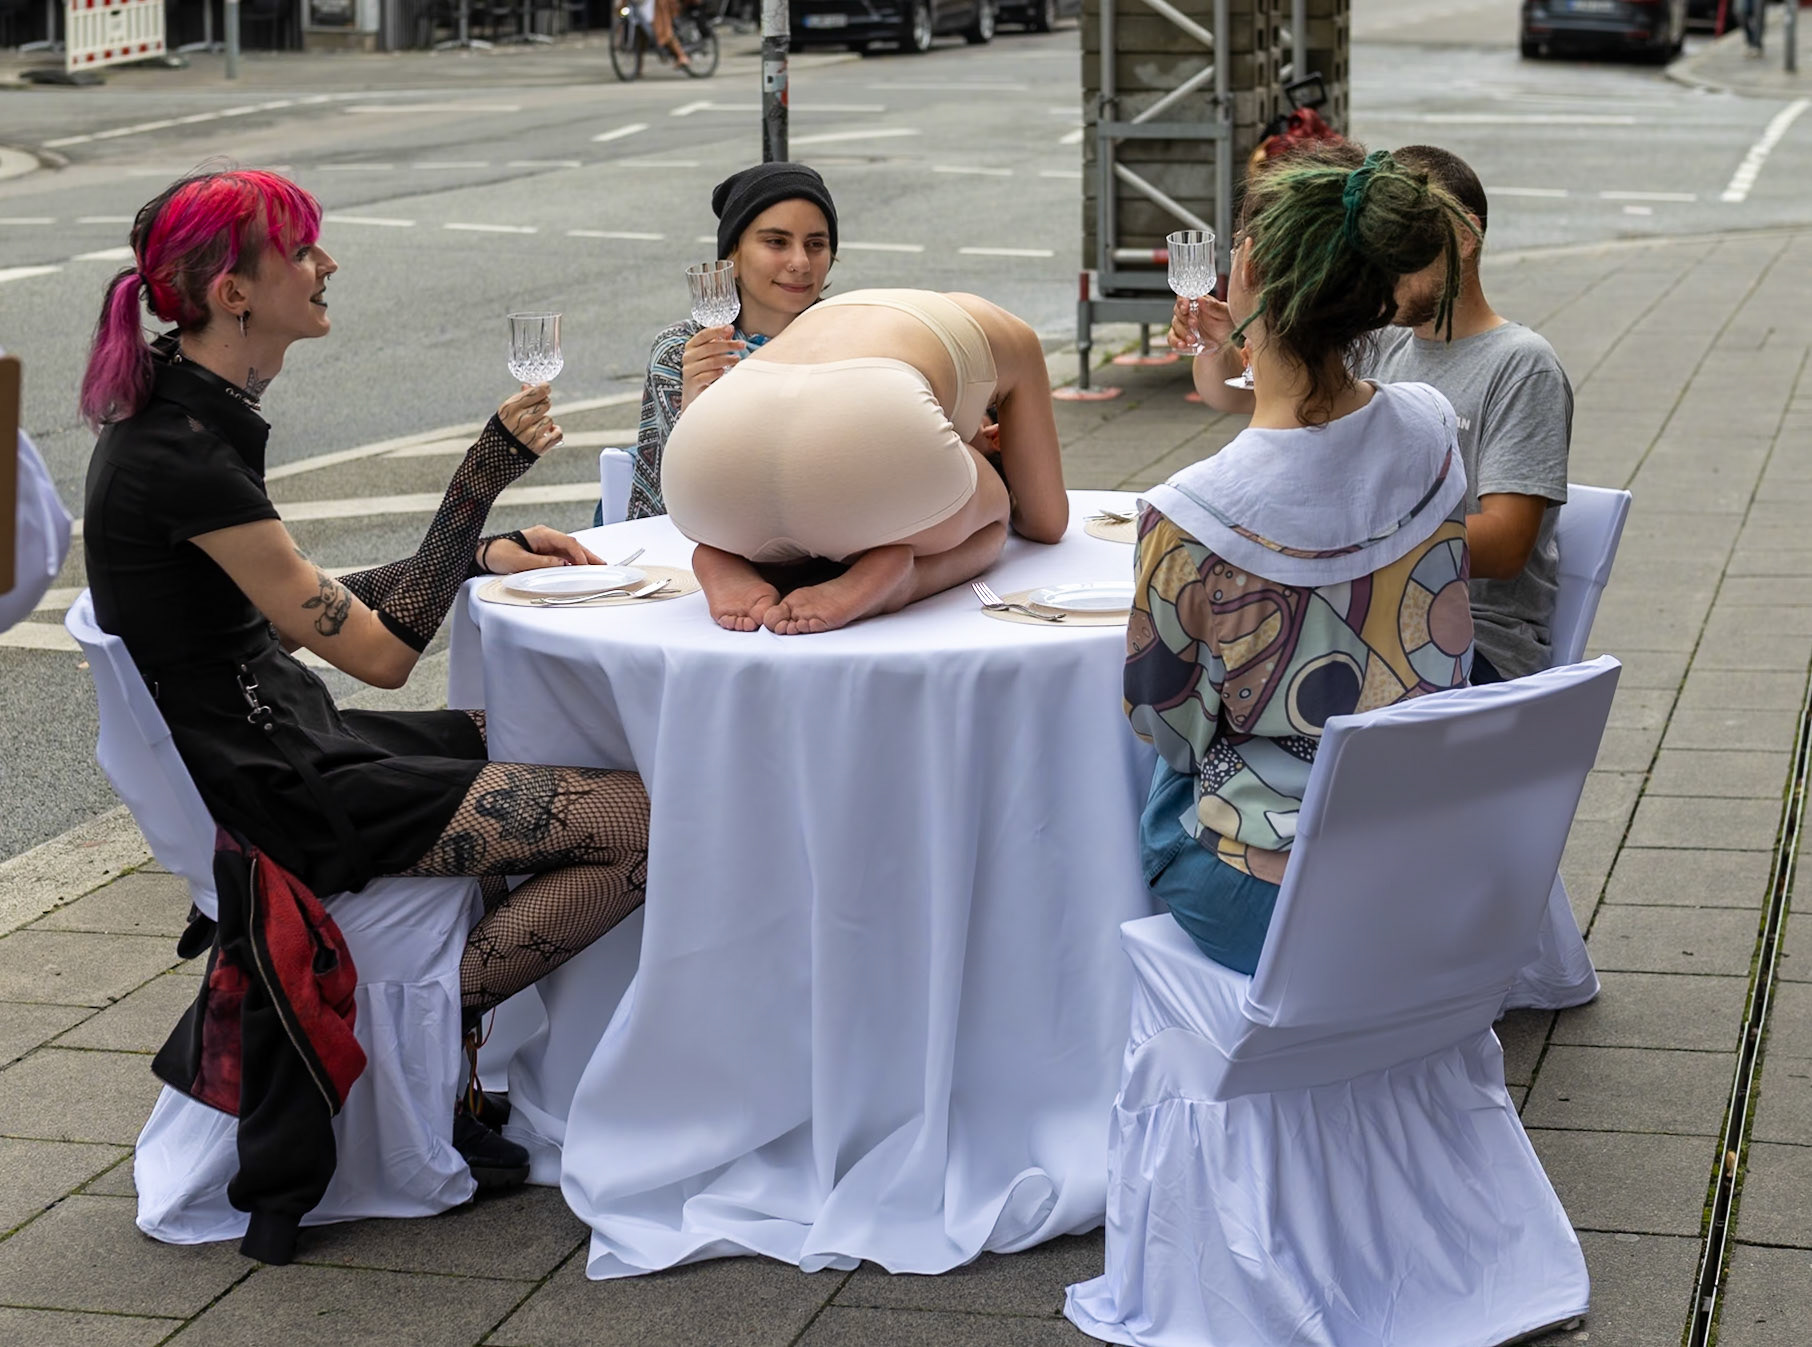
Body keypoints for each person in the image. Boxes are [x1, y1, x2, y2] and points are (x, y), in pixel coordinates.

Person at [79, 169, 651, 1189]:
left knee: (527, 730)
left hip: (287, 742)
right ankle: (443, 1021)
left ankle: (468, 1066)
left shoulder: (185, 424)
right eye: (301, 249)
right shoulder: (184, 457)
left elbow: (283, 608)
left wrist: (478, 555)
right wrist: (478, 482)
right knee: (642, 820)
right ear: (234, 291)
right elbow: (384, 656)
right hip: (289, 791)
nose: (326, 264)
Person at [1127, 148, 1477, 975]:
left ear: (1243, 265)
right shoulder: (1433, 430)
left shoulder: (1190, 515)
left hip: (1273, 899)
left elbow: (1166, 730)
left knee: (1152, 800)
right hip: (1429, 863)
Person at [1177, 143, 1572, 683]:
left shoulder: (1521, 364)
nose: (1381, 266)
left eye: (1404, 247)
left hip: (1481, 643)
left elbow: (1505, 547)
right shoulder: (1381, 340)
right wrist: (1226, 340)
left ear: (1463, 236)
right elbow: (1233, 396)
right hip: (1368, 615)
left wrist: (1348, 541)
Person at [661, 287, 1070, 634]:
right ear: (995, 435)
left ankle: (731, 555)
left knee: (813, 510)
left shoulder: (847, 309)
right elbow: (1046, 523)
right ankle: (907, 582)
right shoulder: (1016, 335)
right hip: (872, 407)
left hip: (707, 445)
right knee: (993, 519)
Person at [626, 162, 838, 520]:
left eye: (815, 244)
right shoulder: (683, 350)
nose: (800, 262)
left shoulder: (851, 335)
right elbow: (679, 495)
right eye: (777, 242)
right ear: (733, 257)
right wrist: (695, 403)